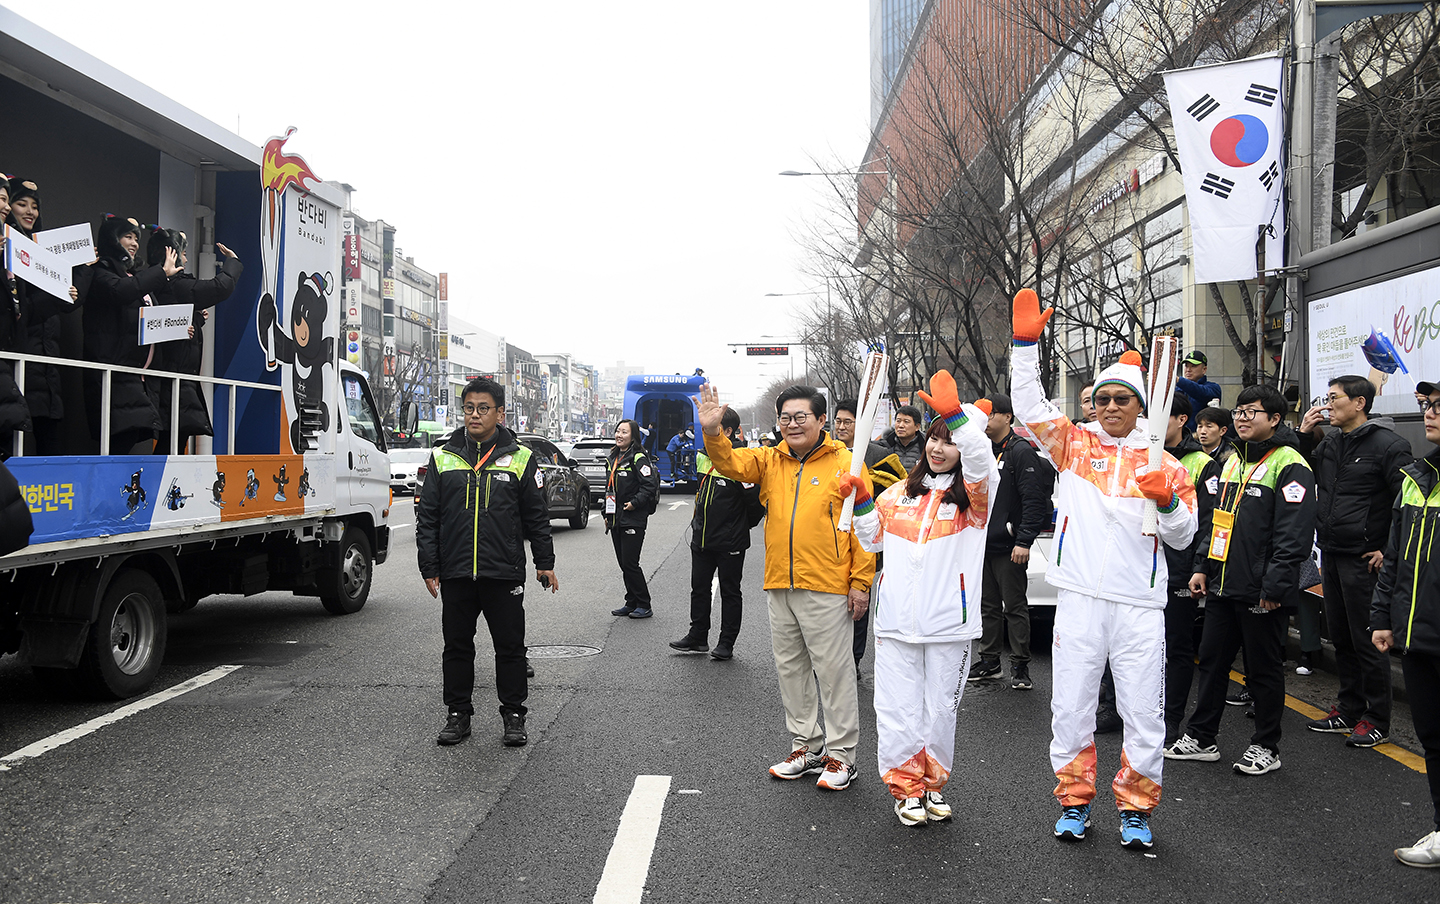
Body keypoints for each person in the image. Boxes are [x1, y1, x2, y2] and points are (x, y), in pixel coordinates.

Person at [1009, 289, 1198, 850]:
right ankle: (1074, 801)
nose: (1111, 406)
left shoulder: (1163, 463)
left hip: (1139, 606)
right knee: (1071, 707)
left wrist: (1165, 501)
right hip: (1080, 599)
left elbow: (1184, 535)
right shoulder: (1072, 445)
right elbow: (1028, 406)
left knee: (1144, 714)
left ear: (1142, 407)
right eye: (1103, 398)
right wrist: (1023, 347)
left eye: (1123, 399)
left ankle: (1136, 810)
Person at [697, 382, 875, 792]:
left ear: (821, 420)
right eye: (785, 418)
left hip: (828, 584)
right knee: (791, 670)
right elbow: (729, 463)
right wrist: (712, 431)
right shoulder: (770, 460)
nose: (792, 424)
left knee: (834, 674)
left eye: (801, 417)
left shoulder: (848, 463)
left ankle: (842, 756)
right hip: (781, 581)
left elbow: (865, 530)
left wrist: (861, 582)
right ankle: (807, 747)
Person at [842, 371, 998, 825]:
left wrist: (958, 419)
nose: (937, 448)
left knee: (939, 713)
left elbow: (981, 461)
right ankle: (906, 789)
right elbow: (872, 543)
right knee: (896, 710)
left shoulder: (974, 502)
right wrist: (864, 502)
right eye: (934, 438)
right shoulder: (901, 493)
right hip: (895, 622)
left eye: (948, 441)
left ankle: (932, 785)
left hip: (950, 622)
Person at [1167, 384, 1316, 777]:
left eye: (1252, 412)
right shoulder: (1233, 462)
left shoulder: (1290, 463)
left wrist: (1275, 588)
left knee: (1263, 669)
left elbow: (1294, 535)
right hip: (1222, 583)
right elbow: (1217, 522)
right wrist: (1202, 566)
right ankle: (1202, 737)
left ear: (1275, 419)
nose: (1243, 418)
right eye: (1239, 411)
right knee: (1212, 662)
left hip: (1262, 590)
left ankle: (1266, 745)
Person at [416, 376, 557, 748]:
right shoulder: (444, 456)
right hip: (458, 571)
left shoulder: (521, 458)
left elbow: (537, 518)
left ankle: (514, 716)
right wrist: (430, 567)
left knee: (510, 648)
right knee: (457, 647)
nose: (474, 416)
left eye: (483, 409)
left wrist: (545, 562)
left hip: (503, 571)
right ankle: (458, 714)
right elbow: (428, 517)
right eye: (469, 408)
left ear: (499, 413)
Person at [1296, 374, 1411, 747]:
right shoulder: (1331, 443)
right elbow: (1303, 475)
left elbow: (1405, 505)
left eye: (1334, 398)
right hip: (1331, 551)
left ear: (1359, 403)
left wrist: (1386, 550)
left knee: (1368, 639)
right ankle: (1348, 708)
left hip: (1365, 559)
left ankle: (1377, 718)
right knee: (1342, 636)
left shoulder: (1389, 446)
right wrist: (1303, 434)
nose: (1328, 404)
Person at [1371, 380, 1440, 868]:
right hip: (1419, 637)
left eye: (1439, 405)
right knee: (1434, 740)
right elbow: (1395, 556)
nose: (1430, 413)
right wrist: (1384, 617)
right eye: (1428, 405)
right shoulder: (1417, 476)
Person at [969, 392, 1053, 689]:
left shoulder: (1020, 451)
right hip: (982, 544)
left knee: (1014, 606)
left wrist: (1024, 540)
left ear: (1007, 416)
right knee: (987, 606)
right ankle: (990, 660)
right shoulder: (981, 449)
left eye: (990, 415)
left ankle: (1020, 665)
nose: (986, 421)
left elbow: (1033, 499)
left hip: (1009, 545)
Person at [670, 408, 763, 660]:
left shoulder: (742, 459)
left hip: (730, 540)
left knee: (730, 592)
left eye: (715, 427)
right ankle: (697, 636)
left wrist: (739, 526)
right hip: (701, 537)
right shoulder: (703, 456)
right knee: (699, 588)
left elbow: (756, 504)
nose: (707, 432)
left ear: (729, 431)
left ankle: (726, 643)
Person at [84, 215, 182, 454]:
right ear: (112, 239)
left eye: (136, 237)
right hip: (114, 372)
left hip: (139, 375)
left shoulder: (133, 276)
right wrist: (160, 272)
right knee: (120, 440)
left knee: (134, 434)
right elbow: (122, 292)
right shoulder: (102, 271)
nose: (135, 243)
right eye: (128, 236)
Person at [148, 228, 244, 454]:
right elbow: (219, 288)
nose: (186, 258)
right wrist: (233, 262)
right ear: (170, 254)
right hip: (175, 378)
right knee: (172, 442)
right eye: (182, 253)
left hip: (169, 375)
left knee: (171, 440)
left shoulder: (155, 283)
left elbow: (168, 320)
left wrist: (196, 319)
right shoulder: (177, 284)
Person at [1160, 395, 1220, 743]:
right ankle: (1116, 708)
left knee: (1177, 647)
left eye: (1163, 416)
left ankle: (1171, 718)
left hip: (1179, 570)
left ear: (1183, 419)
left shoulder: (1201, 463)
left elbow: (1209, 522)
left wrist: (1200, 566)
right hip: (1141, 569)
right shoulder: (1143, 455)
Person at [5, 178, 79, 456]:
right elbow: (24, 311)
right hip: (18, 361)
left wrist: (79, 274)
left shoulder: (43, 252)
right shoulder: (10, 251)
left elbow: (69, 304)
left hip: (46, 366)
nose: (29, 212)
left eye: (34, 206)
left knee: (48, 446)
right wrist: (55, 295)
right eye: (21, 204)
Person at [834, 398, 907, 677]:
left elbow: (899, 491)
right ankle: (830, 658)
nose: (841, 426)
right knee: (831, 602)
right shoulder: (830, 451)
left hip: (866, 536)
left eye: (847, 421)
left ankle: (853, 659)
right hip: (833, 540)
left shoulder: (879, 454)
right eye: (838, 421)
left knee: (859, 598)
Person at [606, 418, 658, 618]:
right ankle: (631, 601)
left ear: (633, 436)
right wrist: (606, 512)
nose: (619, 435)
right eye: (618, 431)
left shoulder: (638, 457)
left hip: (633, 517)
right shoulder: (614, 456)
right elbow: (609, 487)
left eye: (624, 432)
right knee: (623, 563)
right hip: (616, 517)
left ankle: (644, 604)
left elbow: (649, 485)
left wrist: (634, 503)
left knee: (630, 563)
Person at [879, 404, 925, 473]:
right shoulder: (886, 445)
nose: (900, 425)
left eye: (906, 422)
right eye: (898, 421)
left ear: (917, 427)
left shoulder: (926, 449)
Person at [1177, 351, 1223, 420]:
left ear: (1204, 369)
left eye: (1193, 366)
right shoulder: (1178, 389)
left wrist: (1178, 380)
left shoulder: (1213, 388)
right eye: (1186, 366)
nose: (1188, 370)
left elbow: (1201, 392)